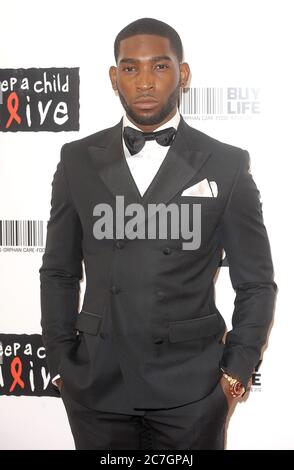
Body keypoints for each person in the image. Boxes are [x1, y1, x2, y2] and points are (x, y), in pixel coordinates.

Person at [39, 17, 277, 450]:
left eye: (160, 67)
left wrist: (235, 374)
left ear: (182, 74)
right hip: (97, 387)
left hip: (192, 390)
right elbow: (58, 271)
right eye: (130, 69)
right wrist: (60, 361)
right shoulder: (76, 160)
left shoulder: (226, 164)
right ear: (115, 78)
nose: (145, 81)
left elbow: (257, 283)